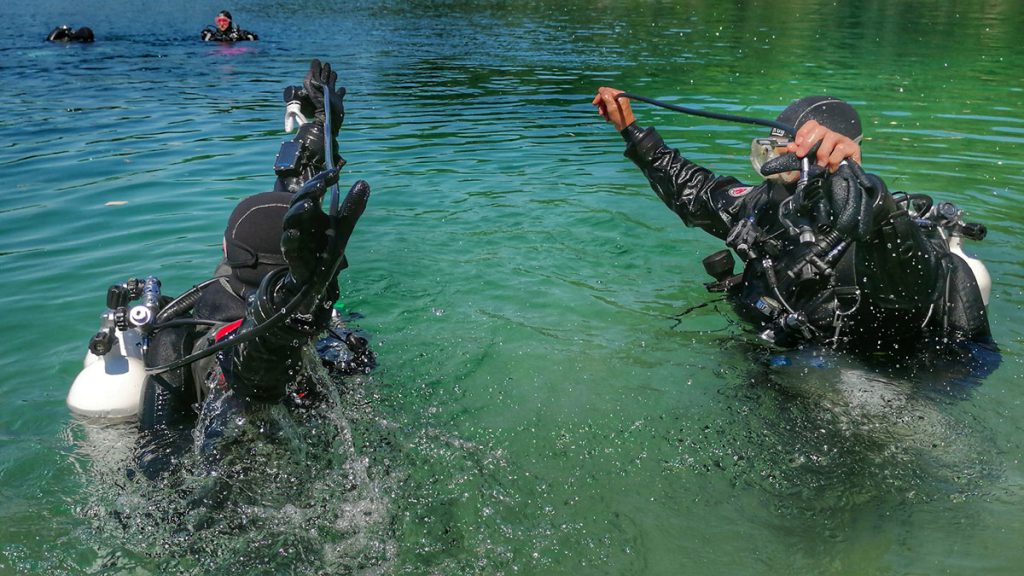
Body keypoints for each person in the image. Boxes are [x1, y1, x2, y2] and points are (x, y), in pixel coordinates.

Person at [592, 88, 994, 360]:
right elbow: (693, 191)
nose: (774, 169)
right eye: (769, 153)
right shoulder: (766, 205)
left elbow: (909, 274)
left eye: (791, 158)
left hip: (858, 382)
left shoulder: (867, 231)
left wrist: (875, 201)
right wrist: (631, 130)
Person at [136, 60, 370, 477]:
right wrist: (320, 129)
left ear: (230, 250)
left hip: (235, 443)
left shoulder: (182, 330)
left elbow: (159, 457)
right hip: (314, 431)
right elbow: (291, 199)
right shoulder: (313, 300)